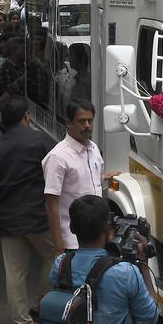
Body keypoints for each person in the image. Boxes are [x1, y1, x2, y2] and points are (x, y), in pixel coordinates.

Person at [50, 195, 158, 324]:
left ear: (72, 228)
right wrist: (143, 266)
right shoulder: (125, 272)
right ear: (107, 228)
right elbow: (149, 318)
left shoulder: (61, 265)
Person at [0, 96, 55, 324]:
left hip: (8, 214)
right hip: (37, 213)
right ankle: (41, 304)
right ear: (26, 116)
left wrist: (0, 207)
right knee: (54, 257)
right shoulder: (38, 140)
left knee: (15, 272)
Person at [43, 100, 109, 254]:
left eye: (90, 120)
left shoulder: (94, 149)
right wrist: (59, 246)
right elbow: (51, 206)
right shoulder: (58, 157)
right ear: (69, 123)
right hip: (72, 243)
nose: (87, 125)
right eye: (81, 121)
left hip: (97, 240)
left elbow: (95, 185)